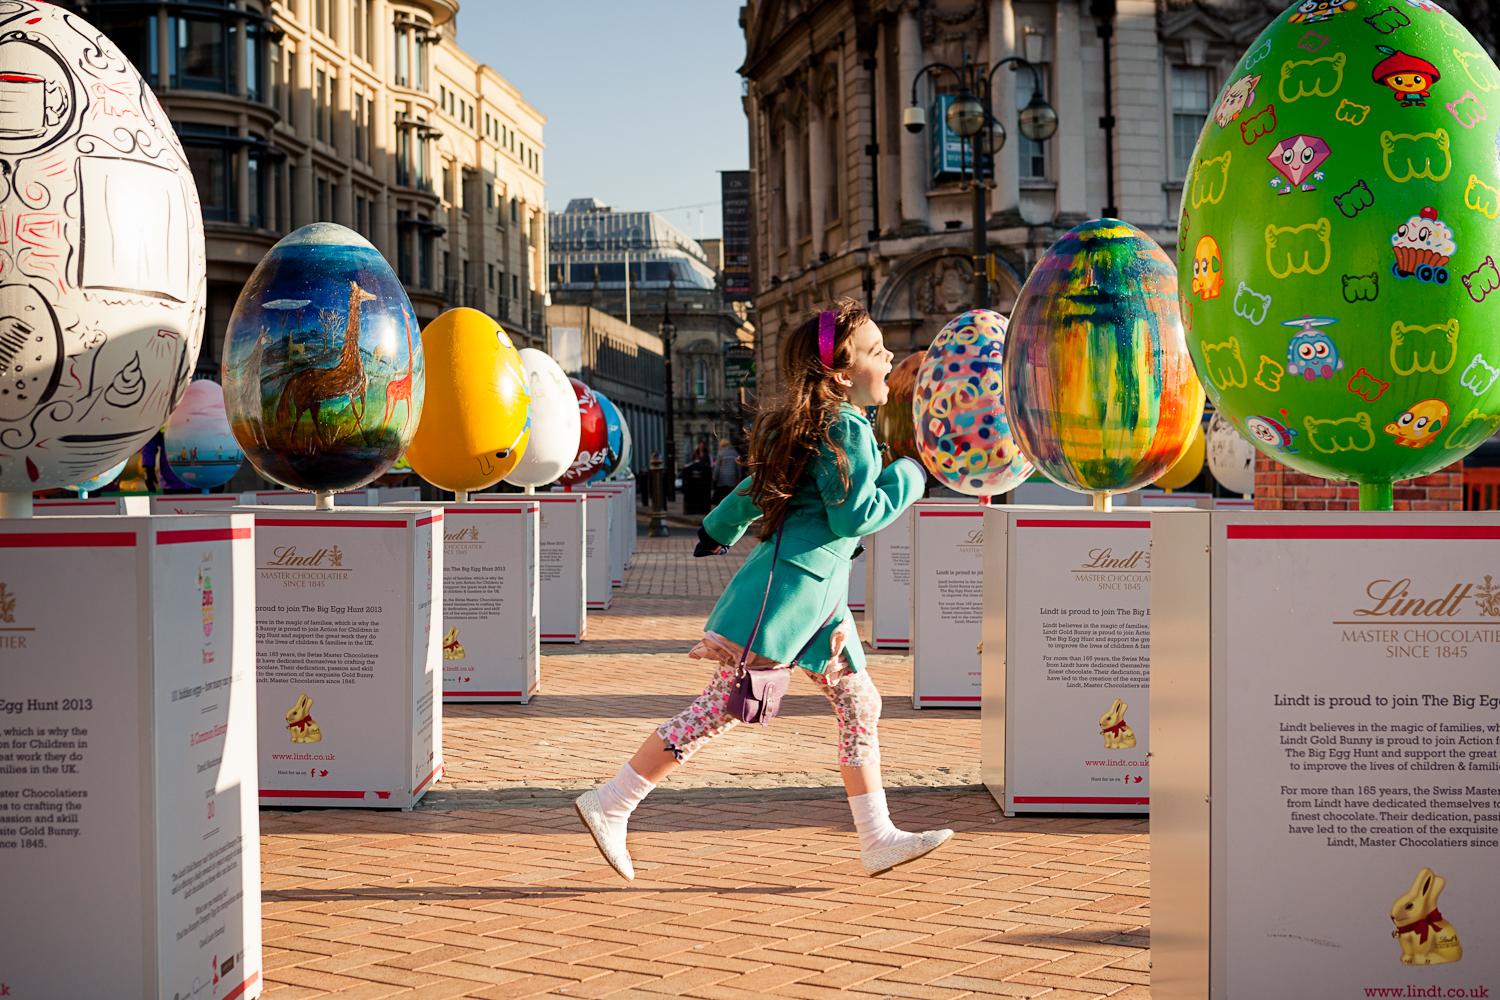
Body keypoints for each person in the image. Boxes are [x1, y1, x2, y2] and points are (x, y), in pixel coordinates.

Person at [574, 298, 951, 881]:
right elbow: (855, 515)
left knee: (859, 702)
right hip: (792, 599)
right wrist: (910, 475)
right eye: (878, 351)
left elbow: (761, 484)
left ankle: (877, 837)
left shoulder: (825, 423)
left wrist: (716, 527)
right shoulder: (845, 425)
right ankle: (612, 801)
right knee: (721, 708)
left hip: (817, 600)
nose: (891, 357)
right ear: (841, 374)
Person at [711, 437, 742, 505]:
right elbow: (738, 467)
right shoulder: (735, 453)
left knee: (722, 497)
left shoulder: (721, 453)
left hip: (722, 479)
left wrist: (714, 478)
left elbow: (717, 468)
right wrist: (739, 477)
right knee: (730, 496)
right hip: (732, 479)